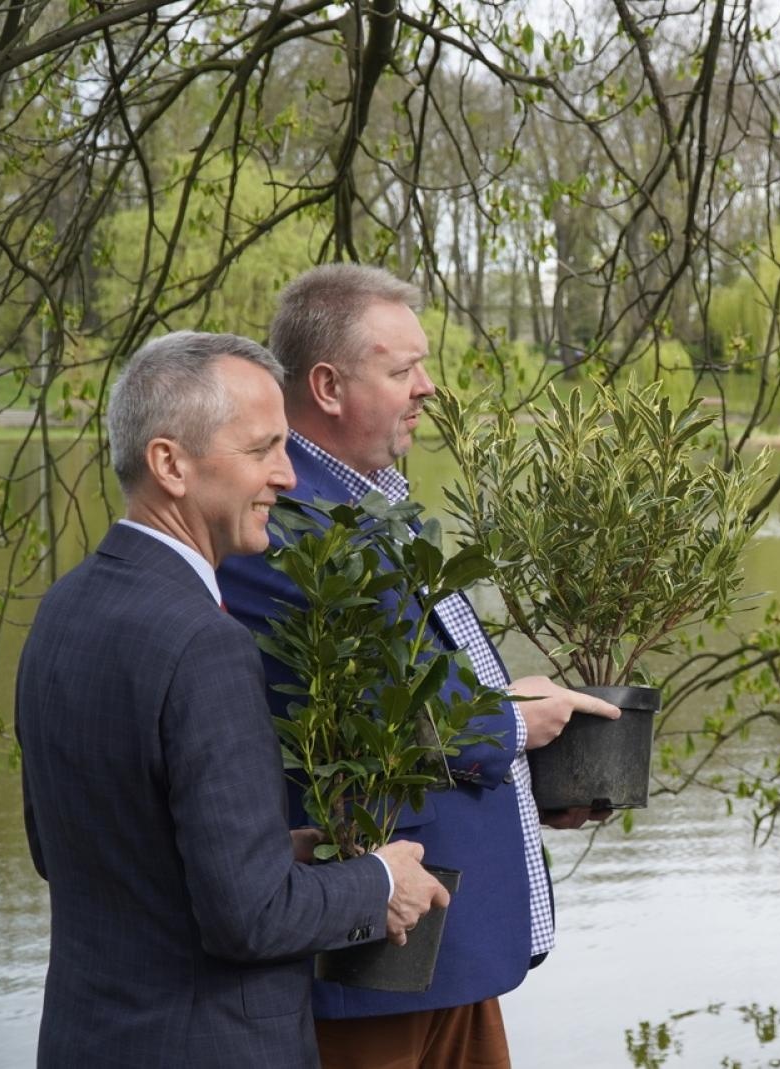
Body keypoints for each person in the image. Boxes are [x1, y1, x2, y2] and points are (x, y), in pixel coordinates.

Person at [217, 264, 621, 1068]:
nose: (427, 388)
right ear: (328, 385)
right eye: (402, 370)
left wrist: (540, 780)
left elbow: (426, 708)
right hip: (376, 955)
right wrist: (513, 721)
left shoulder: (375, 505)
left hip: (452, 950)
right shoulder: (284, 531)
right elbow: (372, 720)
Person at [16, 332, 451, 1069]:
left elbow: (66, 848)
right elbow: (250, 919)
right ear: (169, 464)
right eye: (261, 450)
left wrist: (263, 850)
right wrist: (379, 879)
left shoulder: (63, 606)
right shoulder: (205, 643)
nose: (286, 475)